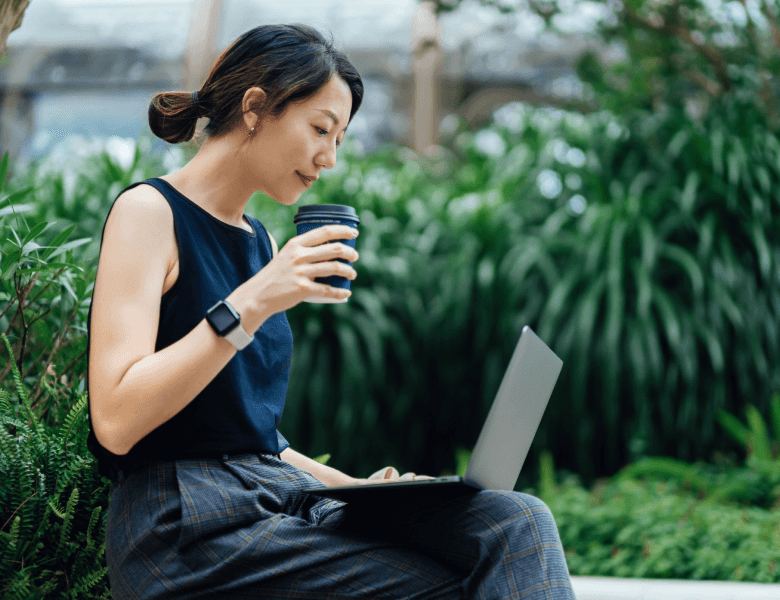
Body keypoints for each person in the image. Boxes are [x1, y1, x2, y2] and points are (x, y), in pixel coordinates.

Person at [86, 23, 575, 599]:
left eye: (339, 138)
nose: (330, 158)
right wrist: (255, 299)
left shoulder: (259, 244)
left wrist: (359, 489)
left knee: (516, 523)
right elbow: (115, 420)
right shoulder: (150, 213)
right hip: (185, 530)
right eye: (322, 129)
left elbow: (252, 438)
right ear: (255, 108)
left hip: (273, 502)